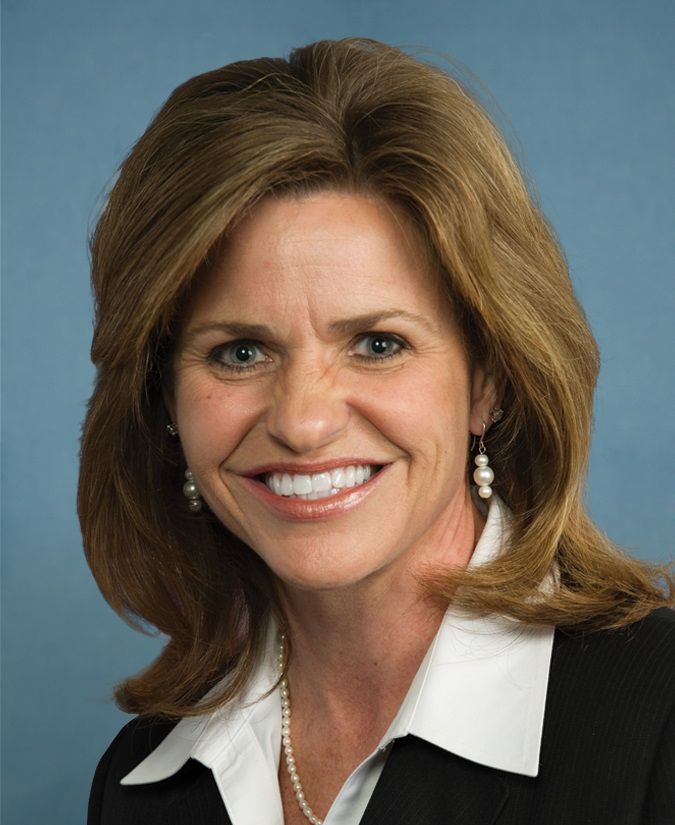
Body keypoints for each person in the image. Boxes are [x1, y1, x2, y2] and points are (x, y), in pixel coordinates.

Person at [80, 38, 675, 825]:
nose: (303, 420)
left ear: (488, 378)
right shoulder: (141, 787)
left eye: (377, 344)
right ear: (163, 400)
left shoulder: (660, 721)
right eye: (240, 351)